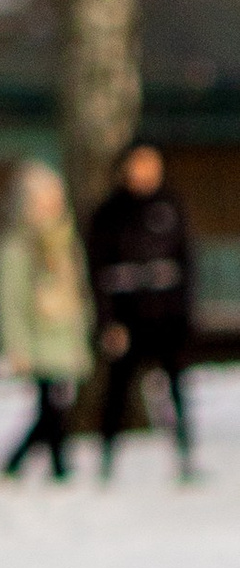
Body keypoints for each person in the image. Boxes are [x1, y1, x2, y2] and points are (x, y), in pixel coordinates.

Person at [85, 140, 200, 482]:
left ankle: (185, 455)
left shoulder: (171, 206)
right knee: (117, 391)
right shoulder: (108, 214)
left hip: (167, 315)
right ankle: (106, 461)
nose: (145, 172)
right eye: (138, 164)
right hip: (127, 317)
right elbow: (98, 273)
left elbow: (187, 263)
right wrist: (108, 322)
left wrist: (185, 313)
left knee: (176, 388)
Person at [0, 161, 94, 481]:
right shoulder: (16, 247)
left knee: (55, 405)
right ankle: (52, 464)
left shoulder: (65, 241)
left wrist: (83, 329)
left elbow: (78, 290)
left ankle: (23, 462)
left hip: (64, 335)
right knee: (52, 404)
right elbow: (9, 302)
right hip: (37, 338)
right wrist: (15, 345)